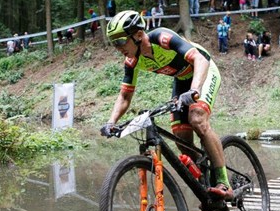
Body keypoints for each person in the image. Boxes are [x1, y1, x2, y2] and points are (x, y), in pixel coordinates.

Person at [100, 10, 234, 199]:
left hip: (203, 69)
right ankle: (205, 180)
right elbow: (124, 96)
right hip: (182, 80)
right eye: (114, 43)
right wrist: (111, 122)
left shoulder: (162, 38)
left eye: (121, 41)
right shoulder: (131, 61)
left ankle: (224, 183)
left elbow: (199, 59)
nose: (117, 47)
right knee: (180, 135)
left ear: (138, 35)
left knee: (197, 119)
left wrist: (195, 89)